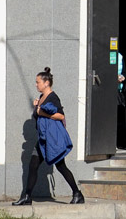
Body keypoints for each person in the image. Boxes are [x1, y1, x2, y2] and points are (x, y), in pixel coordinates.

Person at [13, 68, 83, 206]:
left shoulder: (53, 97)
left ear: (46, 83)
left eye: (38, 82)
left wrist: (41, 111)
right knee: (33, 165)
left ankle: (77, 193)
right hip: (43, 139)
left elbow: (60, 115)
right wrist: (37, 107)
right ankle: (27, 197)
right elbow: (39, 114)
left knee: (61, 166)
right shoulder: (41, 98)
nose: (36, 84)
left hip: (52, 140)